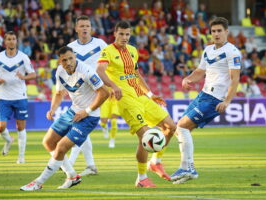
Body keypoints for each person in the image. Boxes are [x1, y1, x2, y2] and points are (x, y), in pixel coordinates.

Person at [97, 20, 176, 188]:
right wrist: (114, 86)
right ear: (115, 33)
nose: (124, 37)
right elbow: (100, 71)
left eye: (127, 34)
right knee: (145, 136)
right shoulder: (107, 51)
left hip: (142, 97)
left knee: (171, 127)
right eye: (121, 34)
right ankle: (141, 177)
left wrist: (150, 94)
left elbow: (136, 74)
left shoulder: (133, 51)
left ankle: (156, 162)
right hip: (126, 100)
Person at [20, 46, 109, 191]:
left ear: (75, 56)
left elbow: (104, 93)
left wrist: (87, 111)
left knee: (61, 147)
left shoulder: (86, 71)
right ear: (59, 62)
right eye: (64, 60)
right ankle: (72, 176)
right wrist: (53, 109)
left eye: (70, 58)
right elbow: (59, 93)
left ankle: (38, 182)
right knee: (48, 142)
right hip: (73, 111)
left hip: (89, 117)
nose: (68, 62)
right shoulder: (60, 72)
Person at [170, 17, 241, 184]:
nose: (216, 34)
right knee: (179, 128)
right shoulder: (208, 50)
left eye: (219, 31)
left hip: (215, 99)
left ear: (226, 32)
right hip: (203, 94)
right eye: (213, 31)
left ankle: (188, 168)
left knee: (181, 126)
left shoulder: (232, 52)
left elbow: (235, 79)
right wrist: (188, 79)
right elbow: (201, 71)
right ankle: (187, 168)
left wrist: (227, 101)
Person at [67, 15, 108, 175]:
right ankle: (90, 166)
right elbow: (65, 69)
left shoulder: (100, 45)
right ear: (76, 29)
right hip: (77, 93)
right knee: (81, 127)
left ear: (91, 28)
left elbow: (108, 65)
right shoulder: (70, 48)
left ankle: (69, 164)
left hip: (95, 92)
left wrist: (109, 85)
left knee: (80, 126)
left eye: (87, 26)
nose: (85, 28)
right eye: (82, 26)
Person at [0, 31, 36, 164]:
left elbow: (33, 74)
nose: (11, 41)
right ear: (5, 42)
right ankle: (8, 140)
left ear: (17, 41)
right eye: (9, 39)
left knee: (20, 127)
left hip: (20, 96)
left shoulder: (23, 57)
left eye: (13, 39)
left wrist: (24, 77)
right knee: (0, 127)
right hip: (4, 97)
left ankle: (21, 157)